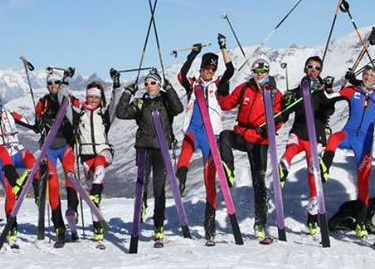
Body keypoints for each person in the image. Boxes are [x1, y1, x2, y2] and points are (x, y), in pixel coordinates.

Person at [174, 35, 233, 243]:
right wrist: (193, 54)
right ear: (200, 69)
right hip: (194, 129)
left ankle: (209, 226)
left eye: (212, 69)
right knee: (186, 150)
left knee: (210, 179)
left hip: (212, 134)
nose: (209, 72)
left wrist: (223, 48)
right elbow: (181, 74)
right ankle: (180, 178)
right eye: (206, 68)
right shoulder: (193, 84)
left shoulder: (218, 85)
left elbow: (231, 71)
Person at [217, 57, 283, 242]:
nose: (259, 75)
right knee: (224, 137)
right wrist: (222, 88)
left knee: (259, 182)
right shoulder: (245, 88)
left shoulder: (274, 93)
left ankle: (260, 224)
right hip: (242, 133)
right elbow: (226, 104)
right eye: (256, 71)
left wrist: (272, 125)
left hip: (260, 141)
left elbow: (280, 116)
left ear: (268, 72)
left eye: (263, 72)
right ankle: (228, 168)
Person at [115, 68, 184, 247]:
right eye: (146, 83)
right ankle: (142, 205)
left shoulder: (166, 102)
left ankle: (158, 227)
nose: (148, 86)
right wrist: (127, 93)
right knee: (142, 183)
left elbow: (179, 108)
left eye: (152, 83)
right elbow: (121, 113)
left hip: (161, 149)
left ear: (159, 85)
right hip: (144, 147)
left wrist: (170, 90)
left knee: (159, 189)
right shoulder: (140, 103)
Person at [323, 65, 375, 239]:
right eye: (366, 74)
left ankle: (361, 222)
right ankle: (325, 167)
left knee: (363, 182)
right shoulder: (352, 91)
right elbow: (330, 98)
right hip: (348, 135)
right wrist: (329, 86)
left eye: (371, 75)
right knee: (333, 138)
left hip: (364, 143)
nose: (368, 77)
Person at [278, 56, 343, 238]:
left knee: (313, 176)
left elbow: (329, 110)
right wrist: (287, 99)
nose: (313, 70)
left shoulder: (321, 91)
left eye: (317, 68)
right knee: (291, 146)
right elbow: (286, 111)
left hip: (316, 136)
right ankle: (284, 164)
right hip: (299, 131)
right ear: (305, 69)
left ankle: (312, 219)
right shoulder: (299, 90)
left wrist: (328, 91)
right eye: (310, 67)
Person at [31, 68, 78, 248]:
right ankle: (59, 226)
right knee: (52, 185)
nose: (53, 86)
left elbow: (75, 115)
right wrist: (40, 123)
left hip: (65, 145)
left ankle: (72, 212)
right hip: (48, 148)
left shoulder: (68, 98)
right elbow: (36, 124)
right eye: (50, 83)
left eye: (56, 83)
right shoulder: (42, 103)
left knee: (71, 179)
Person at [72, 80, 119, 244]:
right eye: (90, 96)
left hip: (104, 151)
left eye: (96, 97)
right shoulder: (79, 114)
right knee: (92, 196)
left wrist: (117, 86)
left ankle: (98, 193)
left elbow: (115, 103)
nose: (93, 100)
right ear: (86, 96)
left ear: (100, 98)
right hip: (86, 157)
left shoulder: (104, 114)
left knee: (100, 163)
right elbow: (63, 101)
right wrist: (63, 82)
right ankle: (98, 229)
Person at [0, 100, 37, 248]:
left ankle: (36, 191)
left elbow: (25, 121)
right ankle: (12, 228)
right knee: (11, 193)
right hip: (3, 158)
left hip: (17, 150)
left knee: (33, 161)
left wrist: (37, 125)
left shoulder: (9, 114)